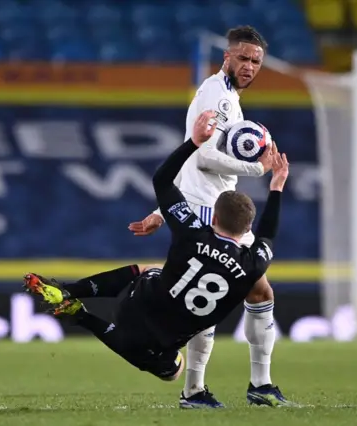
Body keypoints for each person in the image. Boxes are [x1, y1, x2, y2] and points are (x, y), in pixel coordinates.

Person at [23, 111, 292, 405]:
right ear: (248, 231)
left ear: (213, 216)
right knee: (172, 370)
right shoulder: (253, 264)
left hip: (135, 303)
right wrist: (276, 187)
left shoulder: (192, 231)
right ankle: (82, 315)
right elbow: (268, 236)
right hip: (154, 342)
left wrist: (194, 142)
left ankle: (70, 289)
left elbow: (162, 180)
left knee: (149, 270)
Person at [127, 25, 290, 408]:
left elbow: (190, 159)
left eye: (256, 61)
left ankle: (236, 387)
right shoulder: (216, 95)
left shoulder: (229, 97)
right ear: (227, 58)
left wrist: (159, 212)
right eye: (243, 58)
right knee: (226, 299)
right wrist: (259, 170)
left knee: (251, 293)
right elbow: (202, 155)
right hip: (207, 210)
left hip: (210, 203)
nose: (249, 66)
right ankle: (220, 388)